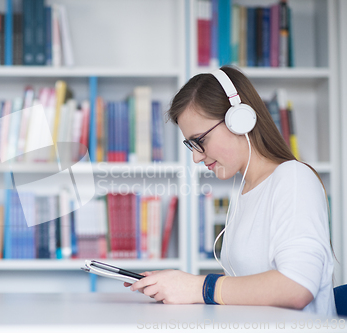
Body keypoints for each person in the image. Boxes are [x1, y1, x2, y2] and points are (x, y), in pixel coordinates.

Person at [124, 66, 337, 316]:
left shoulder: (293, 178)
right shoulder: (245, 189)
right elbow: (245, 288)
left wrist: (197, 288)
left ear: (239, 121)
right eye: (190, 145)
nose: (195, 157)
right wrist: (174, 285)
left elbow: (297, 287)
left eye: (199, 141)